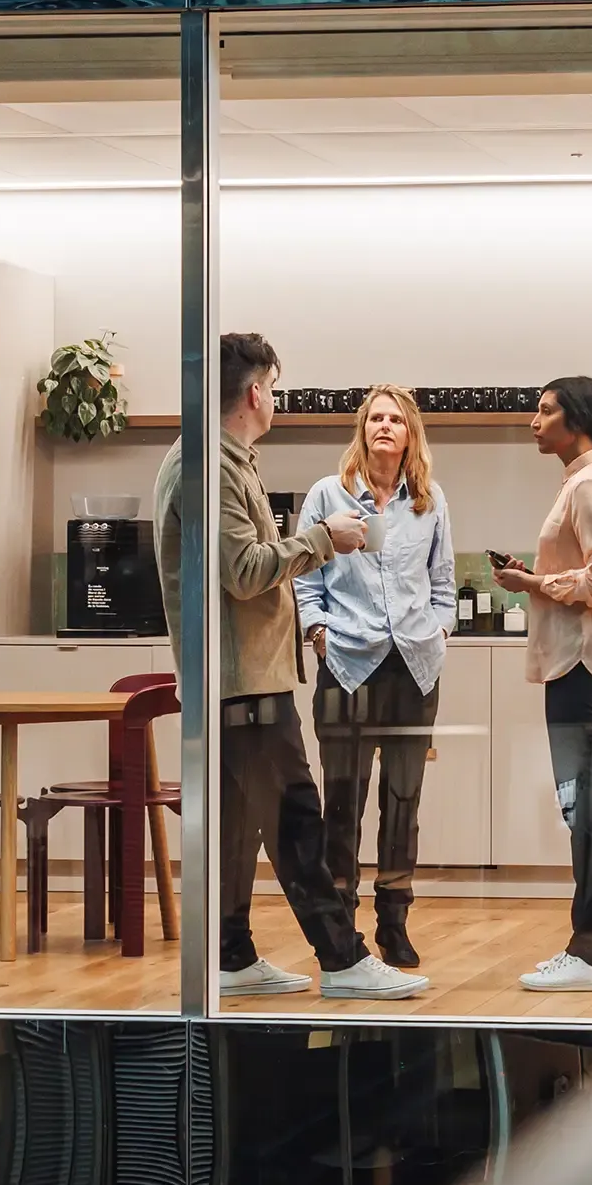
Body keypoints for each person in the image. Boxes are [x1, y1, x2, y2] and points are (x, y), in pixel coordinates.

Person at [152, 333, 427, 1000]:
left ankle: (231, 955)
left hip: (241, 678)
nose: (274, 398)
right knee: (299, 820)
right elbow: (245, 572)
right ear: (254, 393)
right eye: (272, 387)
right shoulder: (208, 467)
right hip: (243, 681)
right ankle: (343, 959)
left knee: (239, 828)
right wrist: (324, 540)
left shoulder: (220, 460)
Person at [292, 385, 456, 971]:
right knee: (343, 800)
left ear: (410, 434)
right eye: (375, 418)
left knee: (403, 801)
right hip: (347, 664)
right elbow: (304, 577)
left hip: (414, 666)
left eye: (395, 419)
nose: (384, 426)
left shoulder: (430, 500)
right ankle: (342, 928)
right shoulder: (327, 494)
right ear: (362, 429)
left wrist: (439, 632)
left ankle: (394, 921)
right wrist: (318, 632)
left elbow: (443, 583)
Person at [492, 376, 592, 992]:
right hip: (583, 663)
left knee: (587, 809)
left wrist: (532, 584)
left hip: (584, 665)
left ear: (576, 421)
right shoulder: (585, 481)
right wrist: (538, 576)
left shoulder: (588, 485)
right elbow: (588, 571)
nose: (534, 420)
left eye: (545, 411)